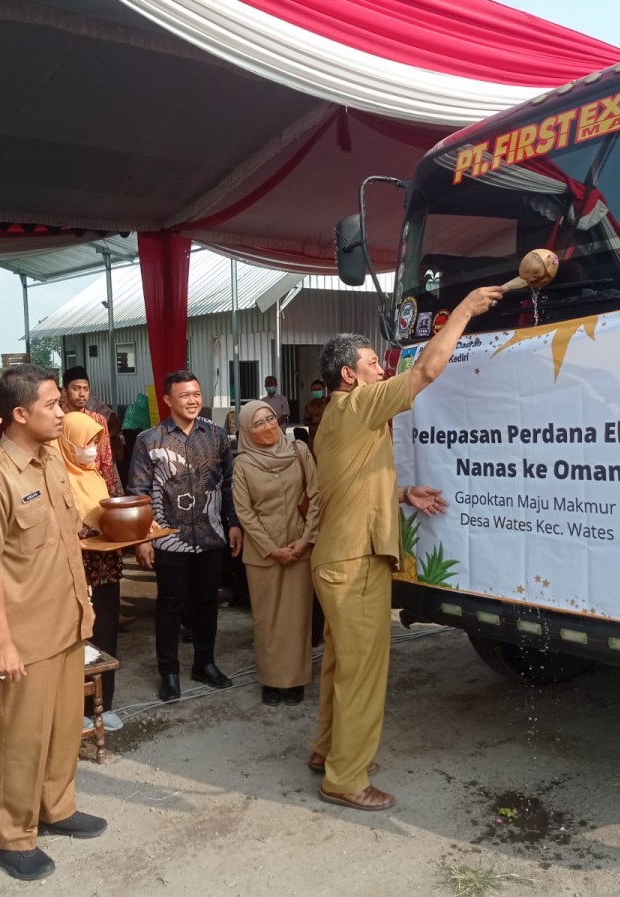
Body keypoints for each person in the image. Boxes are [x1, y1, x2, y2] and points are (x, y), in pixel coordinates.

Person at [308, 284, 503, 812]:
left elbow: (345, 485)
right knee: (364, 670)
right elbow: (425, 373)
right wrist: (463, 309)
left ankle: (328, 751)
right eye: (373, 362)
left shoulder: (334, 417)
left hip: (336, 559)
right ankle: (345, 779)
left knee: (340, 667)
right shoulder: (359, 405)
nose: (381, 368)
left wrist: (400, 493)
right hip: (354, 564)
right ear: (349, 375)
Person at [0, 364, 106, 881]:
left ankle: (57, 808)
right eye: (52, 405)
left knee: (66, 726)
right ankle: (13, 835)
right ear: (19, 414)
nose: (62, 411)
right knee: (18, 737)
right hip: (23, 636)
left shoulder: (49, 459)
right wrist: (0, 643)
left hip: (66, 622)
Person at [127, 371, 243, 702]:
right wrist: (142, 539)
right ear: (167, 400)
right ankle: (170, 672)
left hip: (210, 535)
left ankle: (204, 664)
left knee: (207, 603)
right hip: (169, 538)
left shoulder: (218, 435)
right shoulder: (149, 440)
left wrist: (233, 522)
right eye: (184, 396)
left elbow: (228, 484)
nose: (193, 401)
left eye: (196, 394)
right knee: (170, 605)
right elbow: (138, 493)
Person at [232, 402, 319, 706]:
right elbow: (245, 512)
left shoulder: (299, 451)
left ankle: (295, 680)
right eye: (258, 423)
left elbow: (316, 496)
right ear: (245, 430)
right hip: (263, 555)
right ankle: (271, 680)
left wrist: (306, 540)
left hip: (300, 549)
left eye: (271, 419)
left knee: (297, 620)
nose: (268, 426)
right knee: (267, 621)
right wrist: (271, 549)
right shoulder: (242, 464)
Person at [55, 411, 124, 733]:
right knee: (74, 639)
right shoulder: (56, 479)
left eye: (96, 442)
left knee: (105, 634)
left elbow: (109, 518)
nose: (93, 450)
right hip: (72, 575)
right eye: (86, 442)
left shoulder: (95, 476)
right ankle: (75, 708)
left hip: (105, 569)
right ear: (67, 442)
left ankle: (104, 704)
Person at [60, 367, 123, 498]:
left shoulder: (98, 420)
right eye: (76, 389)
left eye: (86, 389)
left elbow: (105, 457)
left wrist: (110, 488)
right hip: (68, 485)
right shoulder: (59, 420)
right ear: (65, 392)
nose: (82, 394)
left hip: (95, 483)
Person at [301, 379, 329, 447]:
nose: (317, 391)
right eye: (314, 389)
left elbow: (334, 418)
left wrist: (320, 419)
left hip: (327, 437)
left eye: (319, 389)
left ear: (323, 389)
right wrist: (311, 420)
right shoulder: (309, 405)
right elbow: (305, 420)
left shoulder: (329, 402)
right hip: (313, 438)